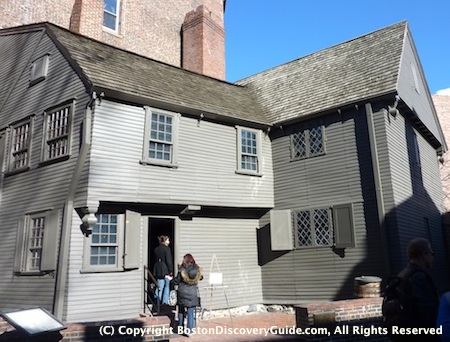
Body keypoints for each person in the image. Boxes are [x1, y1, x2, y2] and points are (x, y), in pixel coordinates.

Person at [395, 237, 439, 341]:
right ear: (424, 254)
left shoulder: (402, 275)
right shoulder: (419, 278)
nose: (433, 258)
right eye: (432, 254)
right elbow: (428, 314)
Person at [173, 253, 203, 335]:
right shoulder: (197, 269)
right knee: (190, 312)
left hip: (182, 292)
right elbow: (201, 277)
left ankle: (180, 328)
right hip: (192, 293)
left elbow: (177, 281)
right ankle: (190, 331)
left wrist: (171, 280)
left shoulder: (182, 269)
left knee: (181, 311)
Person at [153, 235, 173, 305]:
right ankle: (165, 302)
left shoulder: (156, 249)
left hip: (158, 269)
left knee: (159, 287)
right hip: (165, 269)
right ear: (164, 241)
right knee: (167, 286)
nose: (169, 241)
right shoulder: (167, 249)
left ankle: (156, 302)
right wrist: (171, 270)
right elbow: (169, 261)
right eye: (168, 240)